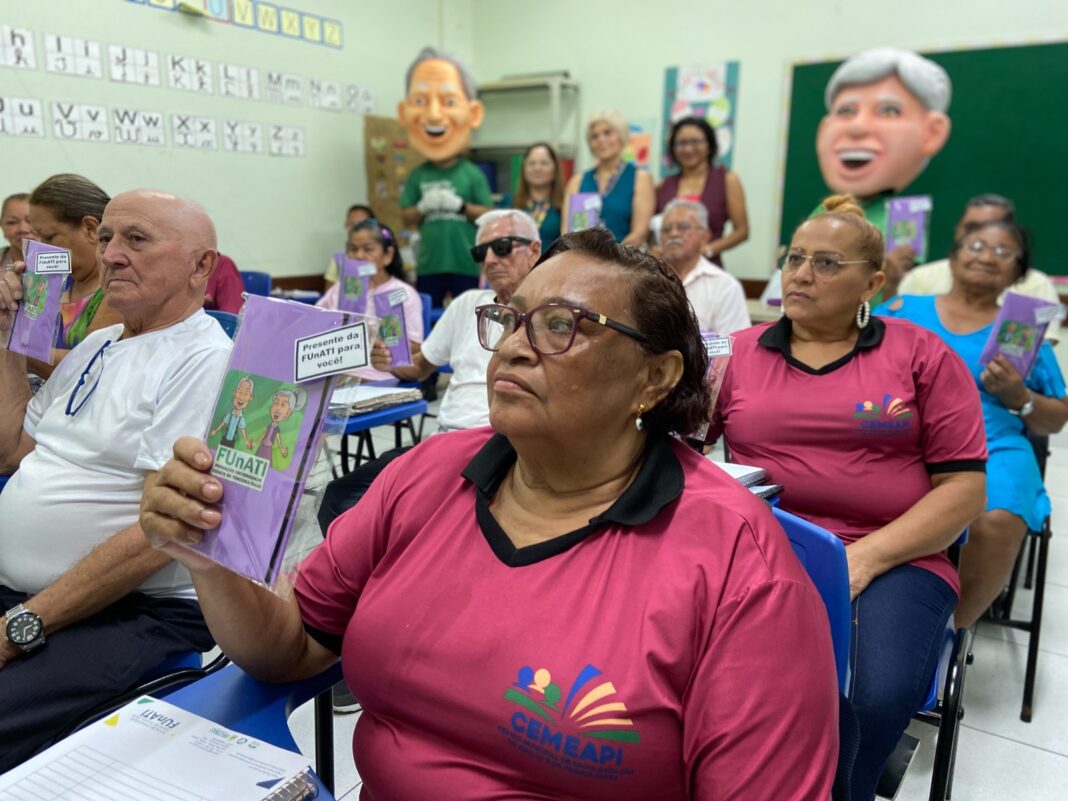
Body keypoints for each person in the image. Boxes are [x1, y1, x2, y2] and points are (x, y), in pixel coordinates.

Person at [141, 227, 839, 800]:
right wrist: (210, 560)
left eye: (562, 325)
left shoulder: (736, 560)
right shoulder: (425, 475)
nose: (512, 346)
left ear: (654, 377)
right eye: (509, 319)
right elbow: (291, 647)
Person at [709, 194, 986, 801]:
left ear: (873, 283)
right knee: (715, 676)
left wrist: (861, 560)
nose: (801, 274)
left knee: (871, 694)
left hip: (895, 558)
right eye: (794, 258)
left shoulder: (921, 354)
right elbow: (681, 450)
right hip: (759, 547)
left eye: (827, 263)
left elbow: (965, 490)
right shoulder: (734, 352)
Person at [0, 189, 233, 771]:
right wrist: (5, 339)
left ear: (201, 265)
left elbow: (163, 534)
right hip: (32, 596)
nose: (110, 254)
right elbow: (13, 451)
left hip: (131, 609)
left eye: (137, 239)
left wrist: (21, 625)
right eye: (105, 238)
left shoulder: (203, 359)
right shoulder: (99, 344)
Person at [877, 219, 1068, 627]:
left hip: (992, 444)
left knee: (996, 519)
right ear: (953, 257)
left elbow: (1057, 418)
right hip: (901, 436)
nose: (986, 256)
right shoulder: (902, 310)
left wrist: (1020, 396)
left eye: (1003, 251)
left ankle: (949, 634)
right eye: (976, 245)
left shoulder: (1020, 330)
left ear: (1018, 273)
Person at [316, 209, 543, 533]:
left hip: (500, 445)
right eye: (481, 251)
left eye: (502, 247)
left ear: (534, 250)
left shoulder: (547, 317)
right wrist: (391, 360)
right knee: (338, 499)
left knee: (412, 516)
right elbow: (420, 368)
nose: (490, 259)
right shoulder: (468, 303)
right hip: (443, 440)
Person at [814, 48, 954, 300]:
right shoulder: (827, 210)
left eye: (889, 111)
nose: (857, 127)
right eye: (846, 111)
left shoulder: (909, 218)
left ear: (933, 132)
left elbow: (905, 284)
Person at [398, 47, 493, 307]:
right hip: (429, 264)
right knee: (429, 318)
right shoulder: (418, 175)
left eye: (449, 102)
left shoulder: (472, 173)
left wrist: (460, 206)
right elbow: (406, 217)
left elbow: (488, 214)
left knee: (469, 318)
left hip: (465, 263)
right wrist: (422, 207)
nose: (434, 115)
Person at [898, 195, 1062, 340]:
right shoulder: (920, 278)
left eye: (1000, 251)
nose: (985, 258)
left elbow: (1034, 348)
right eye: (971, 229)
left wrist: (1011, 362)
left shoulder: (1037, 284)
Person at [26, 174, 124, 377]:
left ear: (90, 228)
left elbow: (90, 365)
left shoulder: (117, 288)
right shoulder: (55, 282)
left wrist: (13, 349)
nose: (42, 247)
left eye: (49, 237)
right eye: (38, 237)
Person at [316, 219, 424, 382]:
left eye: (368, 249)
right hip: (335, 373)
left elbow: (416, 347)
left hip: (377, 375)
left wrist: (378, 344)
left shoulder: (402, 293)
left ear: (387, 255)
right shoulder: (341, 288)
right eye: (353, 249)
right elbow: (315, 322)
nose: (359, 256)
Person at [656, 117, 749, 266]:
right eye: (681, 143)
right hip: (668, 268)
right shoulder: (663, 185)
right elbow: (653, 228)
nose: (688, 149)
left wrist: (709, 249)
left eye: (695, 141)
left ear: (709, 145)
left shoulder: (727, 180)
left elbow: (742, 231)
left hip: (708, 266)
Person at [564, 109, 655, 245]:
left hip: (623, 256)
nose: (601, 140)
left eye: (607, 133)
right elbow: (567, 233)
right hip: (580, 255)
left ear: (622, 136)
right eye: (594, 136)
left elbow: (640, 233)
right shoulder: (576, 181)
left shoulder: (640, 178)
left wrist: (612, 256)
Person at [658, 200, 750, 334]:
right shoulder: (645, 279)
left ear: (704, 236)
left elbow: (734, 342)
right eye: (666, 229)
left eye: (682, 227)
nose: (673, 234)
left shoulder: (725, 286)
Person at [499, 142, 564, 245]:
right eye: (532, 163)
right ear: (524, 169)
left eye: (544, 163)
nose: (537, 168)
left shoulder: (564, 205)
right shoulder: (509, 202)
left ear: (555, 169)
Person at [324, 204, 375, 290]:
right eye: (351, 224)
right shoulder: (338, 260)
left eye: (361, 224)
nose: (355, 228)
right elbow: (328, 293)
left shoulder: (379, 257)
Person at [0, 193, 33, 270]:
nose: (23, 229)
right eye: (12, 222)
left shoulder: (59, 260)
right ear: (1, 226)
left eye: (30, 220)